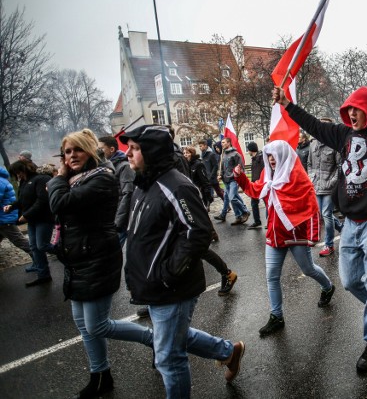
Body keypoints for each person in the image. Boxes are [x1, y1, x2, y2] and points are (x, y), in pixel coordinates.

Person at [273, 54, 367, 372]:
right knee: (351, 280)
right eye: (348, 110)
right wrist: (287, 104)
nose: (352, 114)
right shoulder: (341, 135)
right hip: (349, 225)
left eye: (357, 109)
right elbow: (313, 124)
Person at [120, 125, 245, 397]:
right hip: (153, 286)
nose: (127, 154)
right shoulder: (144, 183)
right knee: (177, 336)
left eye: (135, 148)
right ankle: (228, 351)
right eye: (128, 147)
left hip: (171, 288)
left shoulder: (177, 186)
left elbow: (198, 233)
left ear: (151, 152)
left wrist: (168, 274)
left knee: (168, 357)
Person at [47, 129, 155, 399]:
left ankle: (155, 340)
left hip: (97, 259)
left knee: (98, 325)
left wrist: (58, 177)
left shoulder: (101, 179)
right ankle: (100, 374)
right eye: (67, 151)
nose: (71, 156)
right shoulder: (76, 179)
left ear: (89, 151)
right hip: (77, 260)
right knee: (84, 326)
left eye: (77, 150)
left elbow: (59, 203)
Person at [235, 140, 336, 336]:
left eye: (275, 155)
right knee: (271, 276)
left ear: (283, 155)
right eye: (269, 155)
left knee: (308, 269)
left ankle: (328, 286)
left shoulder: (298, 177)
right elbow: (256, 190)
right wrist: (240, 178)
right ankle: (276, 316)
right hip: (274, 234)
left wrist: (313, 236)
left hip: (295, 235)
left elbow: (313, 208)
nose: (271, 159)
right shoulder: (267, 175)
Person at [183, 145, 238, 297]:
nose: (185, 154)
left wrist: (207, 200)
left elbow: (202, 182)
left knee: (198, 246)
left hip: (192, 203)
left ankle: (226, 273)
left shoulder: (191, 164)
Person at [4, 160, 55, 286]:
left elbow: (42, 200)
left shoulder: (41, 179)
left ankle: (67, 252)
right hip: (32, 220)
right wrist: (11, 206)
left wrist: (26, 215)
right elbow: (21, 199)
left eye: (18, 172)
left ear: (24, 169)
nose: (18, 175)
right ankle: (43, 275)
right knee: (34, 247)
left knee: (42, 245)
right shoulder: (24, 182)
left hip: (44, 219)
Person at [307, 118, 342, 257]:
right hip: (317, 185)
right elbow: (309, 163)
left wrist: (332, 182)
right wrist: (311, 177)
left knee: (326, 214)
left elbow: (340, 166)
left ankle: (329, 245)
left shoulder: (334, 144)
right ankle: (341, 228)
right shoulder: (313, 144)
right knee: (323, 214)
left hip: (329, 187)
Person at [98, 136, 135, 245]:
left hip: (120, 220)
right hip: (111, 218)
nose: (98, 151)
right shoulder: (107, 167)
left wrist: (118, 222)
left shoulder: (124, 166)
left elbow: (127, 193)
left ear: (112, 149)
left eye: (101, 149)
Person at [0, 165, 33, 262]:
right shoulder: (2, 179)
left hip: (4, 218)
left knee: (19, 241)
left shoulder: (0, 181)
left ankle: (41, 259)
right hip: (4, 216)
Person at [214, 137, 250, 225]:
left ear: (228, 143)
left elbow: (240, 167)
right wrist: (220, 175)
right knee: (230, 197)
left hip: (233, 180)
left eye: (223, 142)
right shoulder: (223, 154)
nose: (221, 144)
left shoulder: (236, 154)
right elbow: (222, 167)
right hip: (225, 180)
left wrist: (236, 175)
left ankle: (245, 211)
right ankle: (238, 216)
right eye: (221, 142)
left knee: (232, 198)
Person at [199, 139, 225, 203]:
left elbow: (215, 166)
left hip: (212, 178)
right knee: (206, 193)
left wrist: (211, 175)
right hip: (205, 178)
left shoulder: (211, 154)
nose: (200, 148)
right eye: (199, 146)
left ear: (205, 146)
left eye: (201, 146)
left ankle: (226, 204)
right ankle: (207, 207)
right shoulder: (202, 155)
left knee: (218, 192)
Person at [246, 141, 264, 229]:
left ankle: (270, 222)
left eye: (248, 149)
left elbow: (264, 171)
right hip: (254, 184)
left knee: (267, 203)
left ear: (251, 150)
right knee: (254, 203)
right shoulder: (254, 158)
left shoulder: (261, 158)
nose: (247, 151)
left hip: (262, 184)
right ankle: (257, 221)